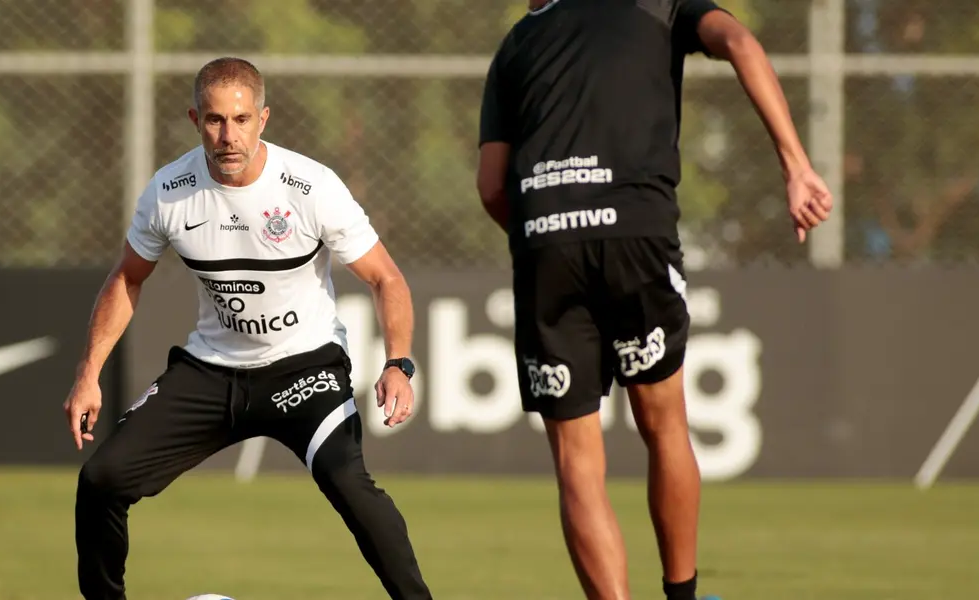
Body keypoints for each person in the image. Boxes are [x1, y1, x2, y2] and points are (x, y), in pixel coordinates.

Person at [475, 1, 833, 599]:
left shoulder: (517, 42)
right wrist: (796, 166)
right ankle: (682, 595)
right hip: (634, 231)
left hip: (545, 237)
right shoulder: (660, 4)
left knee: (576, 459)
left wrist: (549, 237)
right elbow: (741, 43)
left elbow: (491, 185)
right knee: (665, 425)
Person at [62, 56, 433, 600]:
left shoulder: (310, 187)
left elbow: (387, 279)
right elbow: (127, 279)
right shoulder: (169, 191)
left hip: (302, 367)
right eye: (214, 120)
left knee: (349, 483)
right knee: (101, 481)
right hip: (211, 372)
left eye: (240, 120)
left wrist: (398, 362)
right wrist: (88, 372)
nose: (228, 136)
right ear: (194, 119)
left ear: (264, 118)